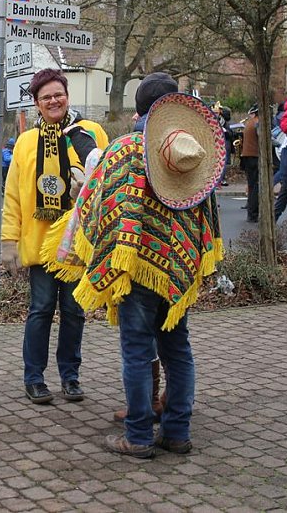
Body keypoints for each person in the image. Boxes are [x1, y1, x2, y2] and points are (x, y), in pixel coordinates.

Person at [43, 74, 225, 458]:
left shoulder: (124, 150)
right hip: (179, 268)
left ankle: (139, 435)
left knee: (138, 351)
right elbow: (208, 216)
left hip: (134, 269)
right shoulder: (195, 152)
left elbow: (96, 205)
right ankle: (176, 431)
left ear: (140, 109)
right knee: (178, 348)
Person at [1, 68, 109, 405]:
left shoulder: (91, 133)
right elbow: (13, 195)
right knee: (41, 310)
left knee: (75, 311)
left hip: (78, 243)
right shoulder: (26, 142)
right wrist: (8, 243)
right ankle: (34, 378)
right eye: (46, 97)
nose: (53, 100)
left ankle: (70, 377)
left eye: (58, 94)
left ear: (67, 96)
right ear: (36, 103)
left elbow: (108, 180)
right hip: (40, 243)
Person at [240, 104, 260, 222]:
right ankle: (253, 214)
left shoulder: (249, 122)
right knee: (256, 186)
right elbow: (263, 139)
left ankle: (251, 212)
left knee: (252, 185)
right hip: (255, 156)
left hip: (247, 156)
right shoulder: (258, 123)